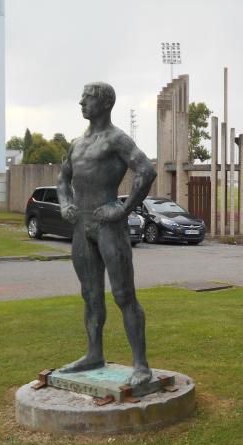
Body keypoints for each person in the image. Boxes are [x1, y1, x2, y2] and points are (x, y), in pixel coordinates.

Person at [57, 82, 157, 386]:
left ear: (103, 103)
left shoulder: (117, 139)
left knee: (124, 295)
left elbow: (146, 171)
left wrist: (123, 210)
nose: (81, 103)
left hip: (108, 226)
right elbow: (62, 181)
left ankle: (141, 365)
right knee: (90, 296)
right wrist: (64, 204)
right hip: (81, 225)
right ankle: (94, 354)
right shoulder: (76, 143)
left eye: (86, 98)